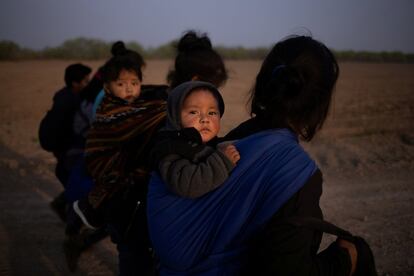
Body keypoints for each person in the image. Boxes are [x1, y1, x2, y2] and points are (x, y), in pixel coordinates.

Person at [147, 35, 361, 276]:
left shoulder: (234, 139)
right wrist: (344, 260)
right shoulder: (296, 172)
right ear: (319, 103)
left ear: (264, 83)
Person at [73, 30, 229, 276]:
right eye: (212, 89)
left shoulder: (162, 104)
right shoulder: (161, 113)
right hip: (131, 212)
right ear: (197, 80)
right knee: (136, 263)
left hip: (144, 216)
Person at [150, 81, 240, 198]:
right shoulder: (171, 148)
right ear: (175, 117)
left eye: (212, 113)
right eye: (193, 112)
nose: (204, 119)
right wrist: (222, 161)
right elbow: (186, 185)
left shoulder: (211, 144)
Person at [38, 63, 92, 221]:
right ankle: (70, 219)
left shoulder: (63, 95)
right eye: (85, 81)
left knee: (74, 184)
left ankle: (66, 207)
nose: (87, 85)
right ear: (75, 83)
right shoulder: (72, 101)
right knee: (78, 187)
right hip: (67, 150)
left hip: (63, 151)